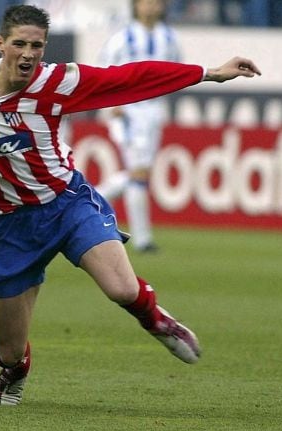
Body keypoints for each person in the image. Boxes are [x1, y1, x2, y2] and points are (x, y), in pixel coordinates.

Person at [0, 4, 260, 405]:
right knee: (9, 350)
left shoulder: (57, 82)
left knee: (121, 288)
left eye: (37, 46)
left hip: (66, 204)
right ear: (0, 44)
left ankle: (156, 319)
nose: (28, 54)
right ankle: (16, 369)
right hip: (7, 226)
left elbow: (130, 77)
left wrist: (208, 73)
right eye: (19, 44)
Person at [94, 0, 181, 252]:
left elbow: (177, 69)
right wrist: (112, 101)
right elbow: (103, 69)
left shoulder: (169, 38)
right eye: (146, 2)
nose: (152, 6)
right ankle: (143, 240)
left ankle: (88, 200)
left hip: (155, 110)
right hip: (129, 108)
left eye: (157, 2)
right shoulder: (123, 37)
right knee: (138, 172)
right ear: (136, 6)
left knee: (138, 174)